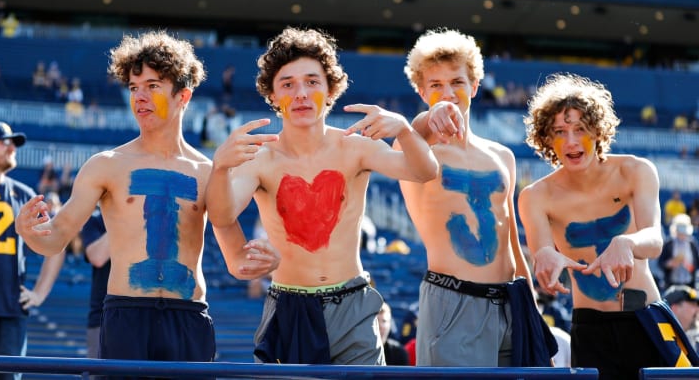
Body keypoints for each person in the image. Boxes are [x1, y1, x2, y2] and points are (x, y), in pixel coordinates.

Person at [15, 30, 279, 367]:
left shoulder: (207, 170)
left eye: (153, 86)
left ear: (183, 96)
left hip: (189, 316)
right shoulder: (106, 165)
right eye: (134, 88)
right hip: (126, 316)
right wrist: (29, 232)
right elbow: (56, 238)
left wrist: (267, 263)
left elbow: (236, 261)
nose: (140, 97)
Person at [206, 26, 438, 365]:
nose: (300, 93)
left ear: (331, 89)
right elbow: (222, 215)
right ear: (272, 96)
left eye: (312, 82)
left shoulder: (356, 147)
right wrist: (220, 168)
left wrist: (403, 127)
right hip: (289, 306)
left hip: (354, 305)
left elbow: (424, 171)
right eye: (287, 84)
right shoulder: (260, 158)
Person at [518, 72, 699, 379]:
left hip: (648, 317)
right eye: (560, 131)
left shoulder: (635, 171)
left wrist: (626, 242)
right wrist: (544, 258)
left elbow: (654, 240)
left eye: (580, 129)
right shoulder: (535, 196)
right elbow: (544, 254)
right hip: (591, 329)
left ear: (598, 130)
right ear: (546, 138)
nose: (571, 141)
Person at [397, 28, 556, 367]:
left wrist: (531, 307)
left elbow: (511, 237)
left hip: (511, 302)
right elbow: (411, 131)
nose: (448, 93)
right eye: (436, 86)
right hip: (452, 302)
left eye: (456, 82)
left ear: (474, 86)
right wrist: (429, 119)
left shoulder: (502, 156)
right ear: (422, 92)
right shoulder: (416, 149)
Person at [0, 121, 65, 380]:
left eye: (13, 143)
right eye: (4, 142)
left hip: (10, 313)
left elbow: (56, 246)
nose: (11, 148)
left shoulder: (25, 195)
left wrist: (38, 294)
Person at [81, 205, 108, 363]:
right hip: (103, 318)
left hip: (149, 313)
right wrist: (128, 219)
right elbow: (97, 257)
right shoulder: (96, 219)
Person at [658, 213, 699, 290]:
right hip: (671, 285)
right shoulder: (669, 243)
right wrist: (669, 264)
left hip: (689, 285)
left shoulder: (692, 243)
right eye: (680, 231)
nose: (682, 235)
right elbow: (661, 263)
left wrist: (687, 265)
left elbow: (696, 265)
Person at [664, 284, 699, 352]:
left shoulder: (696, 343)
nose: (698, 310)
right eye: (693, 305)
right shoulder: (661, 342)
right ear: (674, 308)